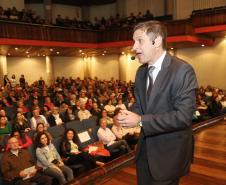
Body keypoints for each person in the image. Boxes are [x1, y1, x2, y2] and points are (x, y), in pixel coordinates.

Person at [115, 20, 198, 185]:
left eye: (139, 41)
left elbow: (183, 117)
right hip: (144, 152)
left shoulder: (182, 70)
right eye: (134, 41)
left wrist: (140, 120)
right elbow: (140, 106)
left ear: (157, 41)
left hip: (169, 155)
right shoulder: (141, 72)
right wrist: (125, 115)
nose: (134, 47)